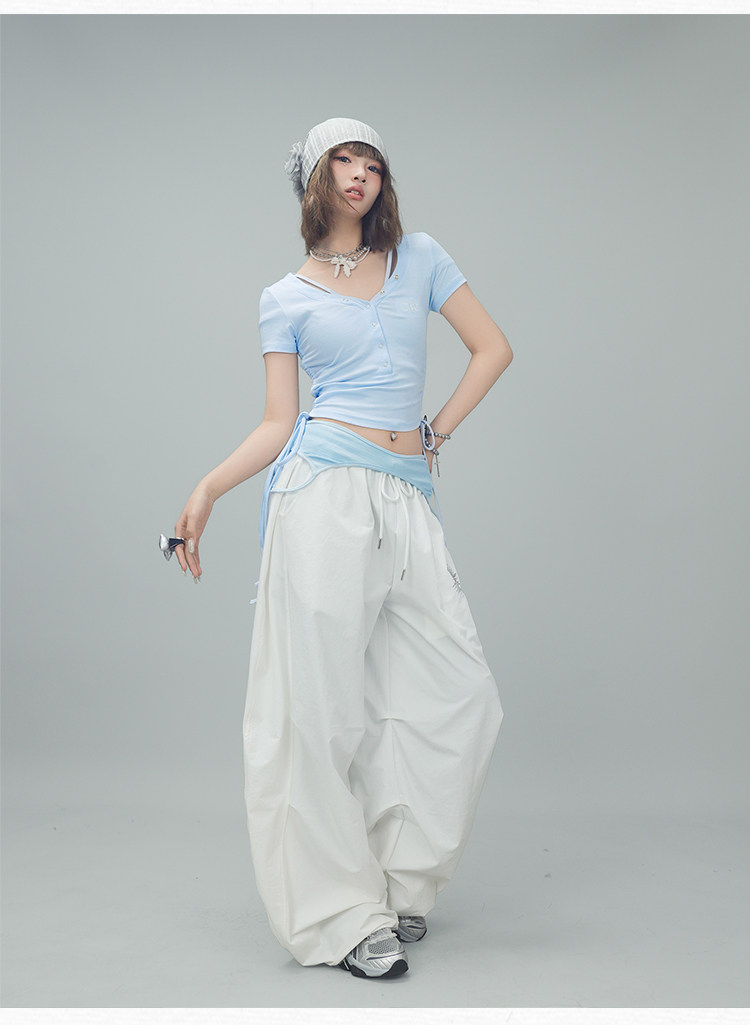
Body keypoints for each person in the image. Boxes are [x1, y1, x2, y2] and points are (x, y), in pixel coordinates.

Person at [166, 117, 513, 980]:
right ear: (314, 181)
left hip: (406, 496)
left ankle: (398, 878)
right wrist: (207, 488)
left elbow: (493, 348)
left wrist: (434, 432)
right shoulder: (284, 297)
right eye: (342, 160)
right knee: (316, 709)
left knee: (455, 692)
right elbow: (278, 421)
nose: (359, 174)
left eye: (372, 163)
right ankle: (340, 914)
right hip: (319, 493)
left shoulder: (419, 258)